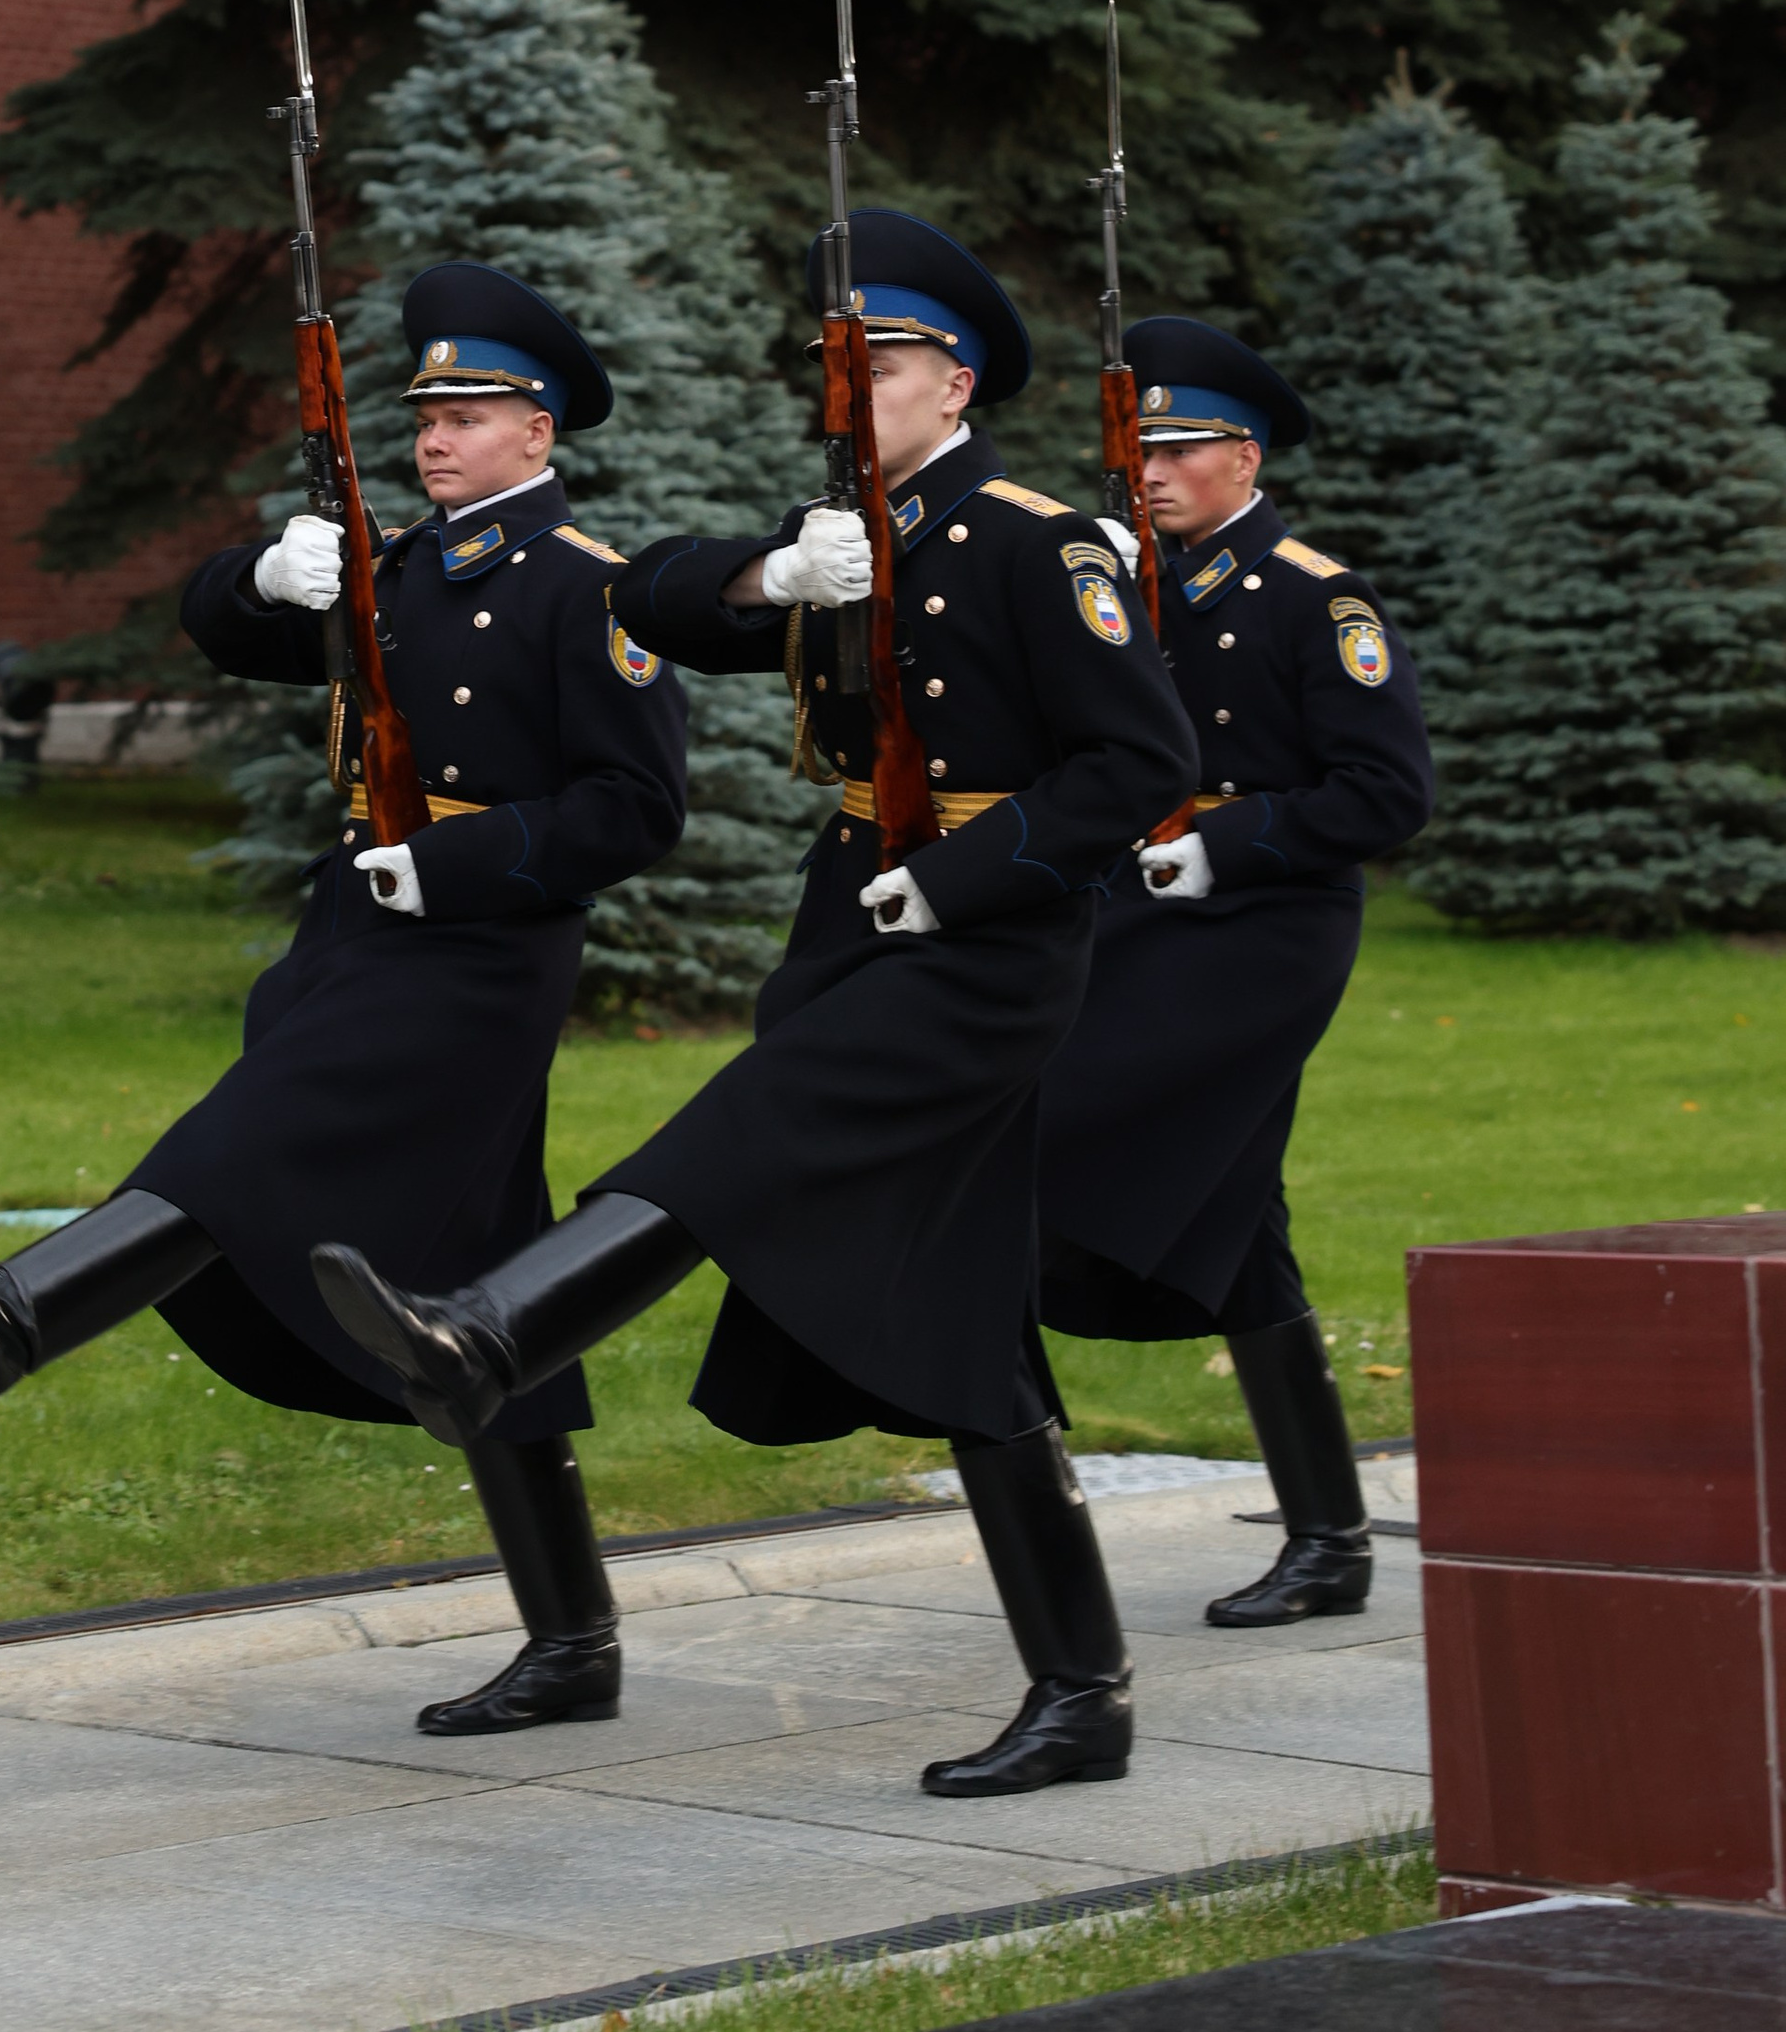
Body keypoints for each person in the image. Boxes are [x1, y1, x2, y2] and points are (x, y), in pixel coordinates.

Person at [315, 212, 1199, 1799]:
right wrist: (770, 572)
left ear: (959, 378)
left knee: (743, 1133)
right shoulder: (848, 531)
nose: (848, 390)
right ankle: (1085, 1689)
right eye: (834, 366)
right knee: (971, 1316)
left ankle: (500, 1327)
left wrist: (965, 878)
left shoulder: (1038, 540)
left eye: (883, 364)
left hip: (987, 947)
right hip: (855, 918)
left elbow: (1137, 766)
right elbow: (645, 600)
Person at [0, 263, 689, 1737]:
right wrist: (262, 576)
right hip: (355, 926)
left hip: (482, 948)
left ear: (539, 430)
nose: (434, 437)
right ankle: (577, 1644)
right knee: (491, 1277)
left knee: (248, 1143)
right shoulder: (407, 564)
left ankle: (12, 1317)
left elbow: (636, 809)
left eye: (471, 413)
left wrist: (458, 866)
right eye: (424, 412)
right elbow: (223, 627)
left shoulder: (590, 586)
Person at [1034, 317, 1434, 1627]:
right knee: (1240, 1217)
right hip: (1135, 913)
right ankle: (1330, 1538)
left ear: (1242, 455)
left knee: (1065, 1117)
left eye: (1176, 447)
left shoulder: (1316, 594)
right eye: (1135, 447)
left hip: (1261, 933)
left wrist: (1227, 843)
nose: (1146, 469)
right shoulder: (1126, 584)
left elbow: (1385, 792)